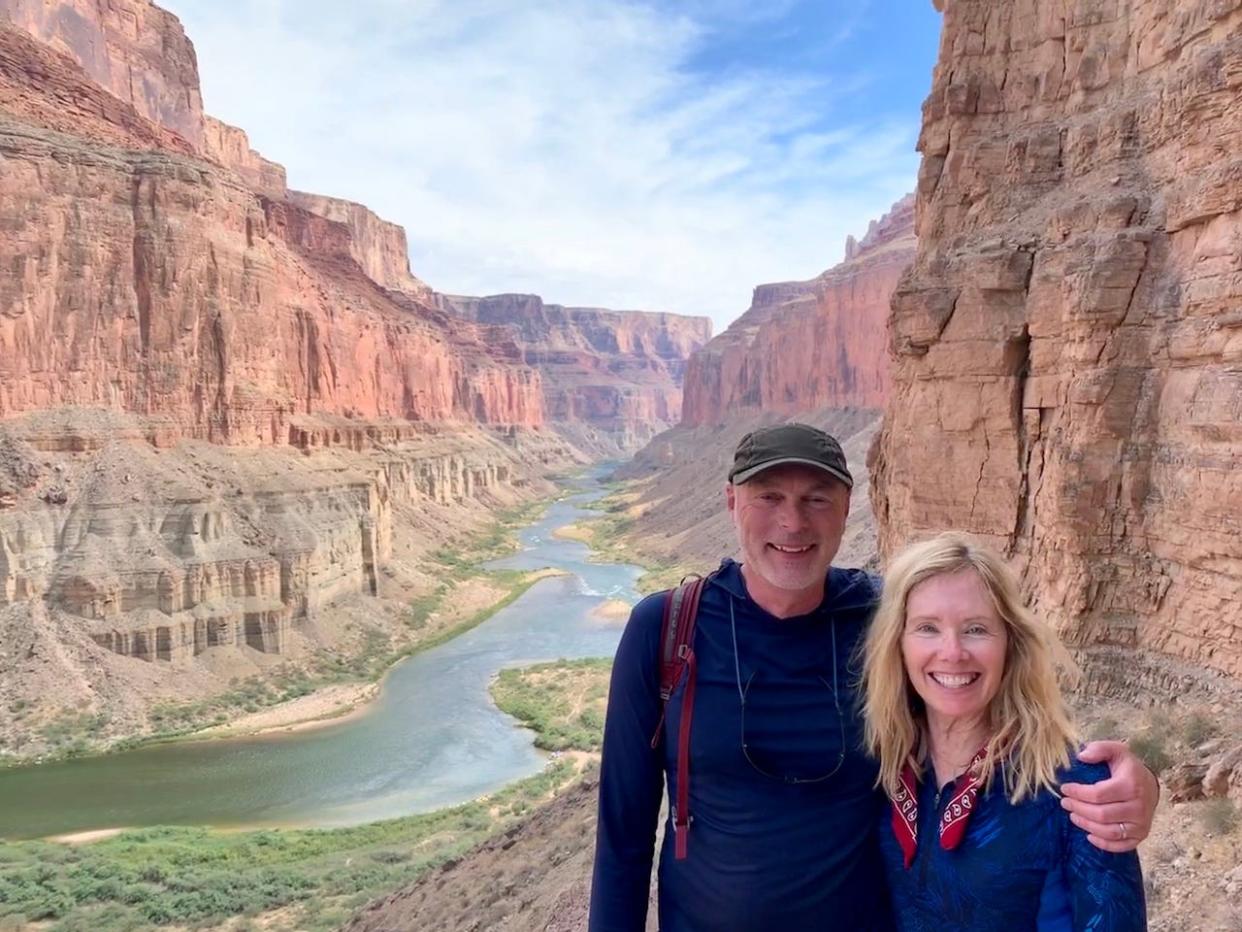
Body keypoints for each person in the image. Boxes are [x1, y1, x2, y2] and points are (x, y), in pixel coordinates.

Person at [589, 423, 1158, 931]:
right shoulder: (667, 628)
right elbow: (624, 834)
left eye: (817, 498)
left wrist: (1125, 784)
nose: (793, 521)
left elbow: (986, 707)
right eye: (769, 497)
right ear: (732, 501)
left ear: (847, 506)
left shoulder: (887, 616)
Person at [861, 532, 1146, 930]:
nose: (953, 652)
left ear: (1010, 643)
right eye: (927, 628)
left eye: (976, 629)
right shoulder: (880, 767)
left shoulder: (1073, 787)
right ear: (898, 643)